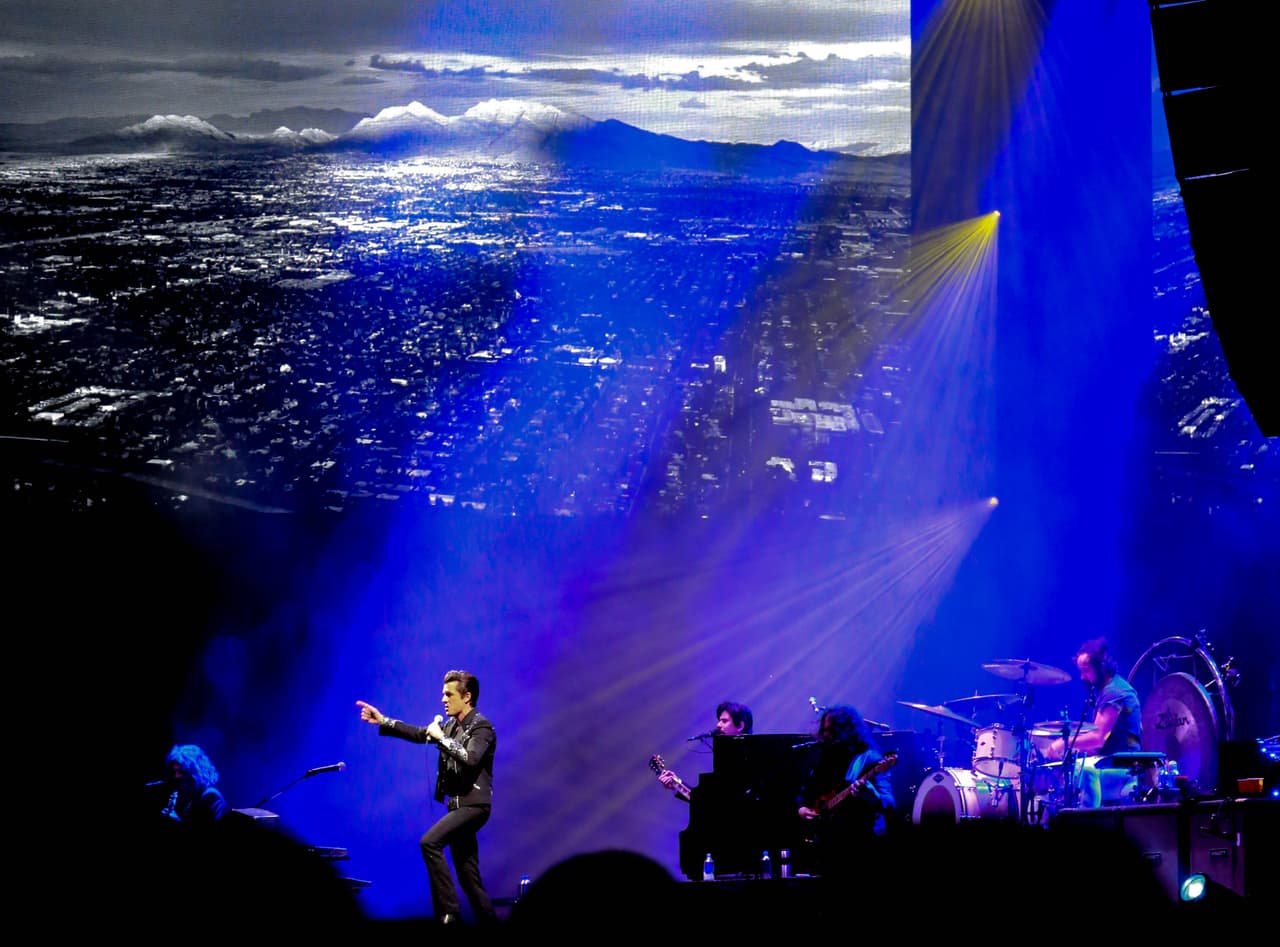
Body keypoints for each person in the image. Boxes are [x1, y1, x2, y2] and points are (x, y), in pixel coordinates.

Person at [356, 669, 497, 927]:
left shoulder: (482, 727)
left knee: (430, 842)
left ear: (467, 697)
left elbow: (471, 758)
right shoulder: (451, 725)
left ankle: (449, 915)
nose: (443, 699)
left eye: (449, 694)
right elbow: (420, 733)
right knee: (468, 878)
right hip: (457, 807)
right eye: (443, 694)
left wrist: (441, 738)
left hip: (474, 806)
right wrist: (384, 721)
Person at [1038, 637, 1143, 807]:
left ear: (1100, 667)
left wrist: (1062, 744)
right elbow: (1100, 745)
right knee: (1066, 766)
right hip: (1111, 759)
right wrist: (1070, 752)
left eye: (1086, 671)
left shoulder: (1115, 692)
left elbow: (1098, 738)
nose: (1082, 677)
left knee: (1080, 771)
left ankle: (1086, 818)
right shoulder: (1108, 689)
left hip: (1123, 766)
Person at [796, 704, 895, 875]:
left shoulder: (870, 759)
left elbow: (890, 803)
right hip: (830, 847)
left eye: (831, 729)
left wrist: (873, 797)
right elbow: (805, 792)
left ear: (848, 730)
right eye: (824, 730)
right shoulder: (826, 758)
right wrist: (802, 809)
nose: (825, 734)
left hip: (863, 846)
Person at [656, 700, 753, 800]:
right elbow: (705, 801)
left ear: (740, 726)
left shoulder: (753, 758)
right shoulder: (725, 757)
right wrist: (676, 783)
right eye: (719, 720)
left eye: (724, 721)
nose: (718, 725)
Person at [162, 743, 230, 826]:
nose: (176, 776)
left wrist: (179, 822)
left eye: (181, 771)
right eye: (174, 772)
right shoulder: (189, 797)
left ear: (195, 772)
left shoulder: (211, 796)